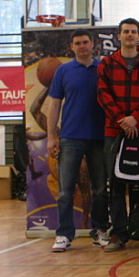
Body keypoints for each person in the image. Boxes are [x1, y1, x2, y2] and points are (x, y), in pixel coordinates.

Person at [97, 18, 139, 251]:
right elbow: (102, 94)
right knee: (115, 185)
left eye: (133, 32)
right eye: (126, 31)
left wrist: (135, 117)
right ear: (119, 36)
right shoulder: (107, 63)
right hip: (114, 132)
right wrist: (122, 120)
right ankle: (118, 234)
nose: (130, 35)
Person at [47, 30, 109, 252]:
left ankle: (100, 230)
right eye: (77, 43)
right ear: (72, 47)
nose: (82, 46)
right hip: (70, 138)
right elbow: (54, 104)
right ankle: (64, 234)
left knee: (100, 189)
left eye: (85, 42)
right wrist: (51, 136)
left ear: (92, 44)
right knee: (65, 190)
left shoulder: (104, 68)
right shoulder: (63, 71)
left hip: (100, 137)